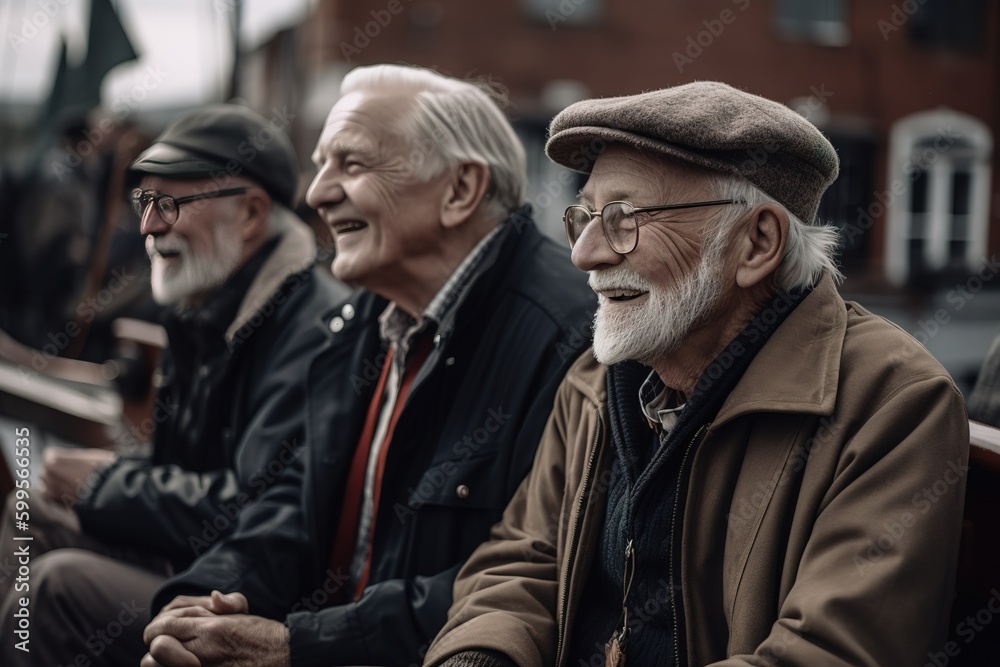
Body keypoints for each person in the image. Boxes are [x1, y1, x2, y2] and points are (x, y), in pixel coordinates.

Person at [424, 81, 970, 667]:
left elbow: (829, 653)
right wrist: (480, 655)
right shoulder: (595, 379)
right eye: (583, 216)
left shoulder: (891, 404)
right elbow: (521, 560)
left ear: (757, 242)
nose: (584, 253)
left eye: (622, 218)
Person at [139, 64, 596, 667]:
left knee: (54, 588)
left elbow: (525, 587)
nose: (316, 193)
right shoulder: (366, 320)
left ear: (460, 190)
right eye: (321, 164)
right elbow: (291, 508)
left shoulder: (564, 337)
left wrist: (296, 645)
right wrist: (201, 601)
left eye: (351, 165)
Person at [0, 103, 347, 667]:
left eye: (170, 204)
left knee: (52, 590)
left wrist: (106, 487)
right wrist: (113, 481)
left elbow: (257, 509)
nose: (147, 227)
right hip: (196, 555)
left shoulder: (309, 332)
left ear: (252, 213)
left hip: (246, 598)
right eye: (143, 202)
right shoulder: (206, 306)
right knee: (28, 509)